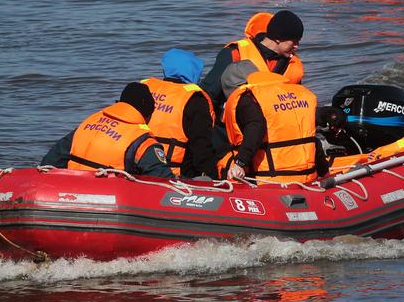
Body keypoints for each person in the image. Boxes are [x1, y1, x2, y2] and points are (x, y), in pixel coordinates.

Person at [217, 61, 329, 183]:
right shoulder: (298, 92)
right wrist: (324, 172)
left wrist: (240, 163)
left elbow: (256, 127)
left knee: (225, 162)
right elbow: (311, 138)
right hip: (308, 175)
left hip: (271, 179)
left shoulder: (247, 99)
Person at [40, 82, 173, 177]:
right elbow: (163, 180)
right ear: (148, 113)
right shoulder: (142, 141)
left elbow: (49, 163)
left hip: (71, 189)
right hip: (112, 199)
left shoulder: (87, 124)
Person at [201, 9, 305, 114]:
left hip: (276, 120)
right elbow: (208, 96)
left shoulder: (291, 63)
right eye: (294, 41)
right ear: (278, 38)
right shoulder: (235, 53)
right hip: (237, 120)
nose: (297, 46)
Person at [140, 48, 218, 179]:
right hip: (175, 175)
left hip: (139, 166)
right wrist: (213, 178)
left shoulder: (145, 89)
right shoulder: (195, 99)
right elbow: (202, 147)